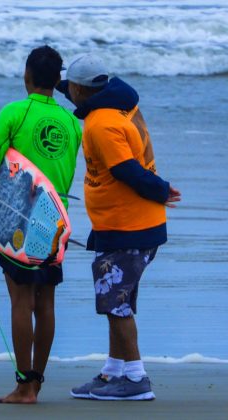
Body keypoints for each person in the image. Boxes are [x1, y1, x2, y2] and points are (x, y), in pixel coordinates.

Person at [0, 46, 82, 404]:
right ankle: (37, 383)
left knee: (20, 300)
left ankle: (23, 385)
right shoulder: (73, 124)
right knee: (46, 302)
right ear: (58, 80)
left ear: (26, 75)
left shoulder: (14, 112)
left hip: (18, 217)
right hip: (55, 218)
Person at [57, 54, 181, 401]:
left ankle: (137, 379)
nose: (69, 93)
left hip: (131, 225)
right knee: (117, 301)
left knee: (116, 304)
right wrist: (54, 76)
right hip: (125, 222)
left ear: (81, 89)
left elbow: (125, 169)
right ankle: (113, 372)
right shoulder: (121, 103)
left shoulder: (101, 123)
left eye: (71, 88)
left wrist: (160, 189)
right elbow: (78, 90)